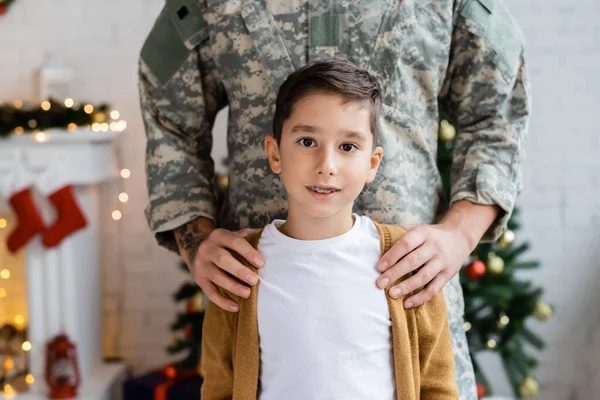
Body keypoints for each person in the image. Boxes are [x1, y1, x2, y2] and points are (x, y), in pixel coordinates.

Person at [138, 1, 530, 398]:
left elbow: (496, 113)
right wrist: (196, 239)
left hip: (410, 298)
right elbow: (170, 120)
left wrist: (459, 235)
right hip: (256, 307)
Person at [201, 58, 459, 400]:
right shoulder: (238, 266)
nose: (327, 166)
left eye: (347, 147)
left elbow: (437, 386)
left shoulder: (405, 261)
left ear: (371, 163)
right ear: (275, 154)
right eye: (307, 142)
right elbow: (219, 386)